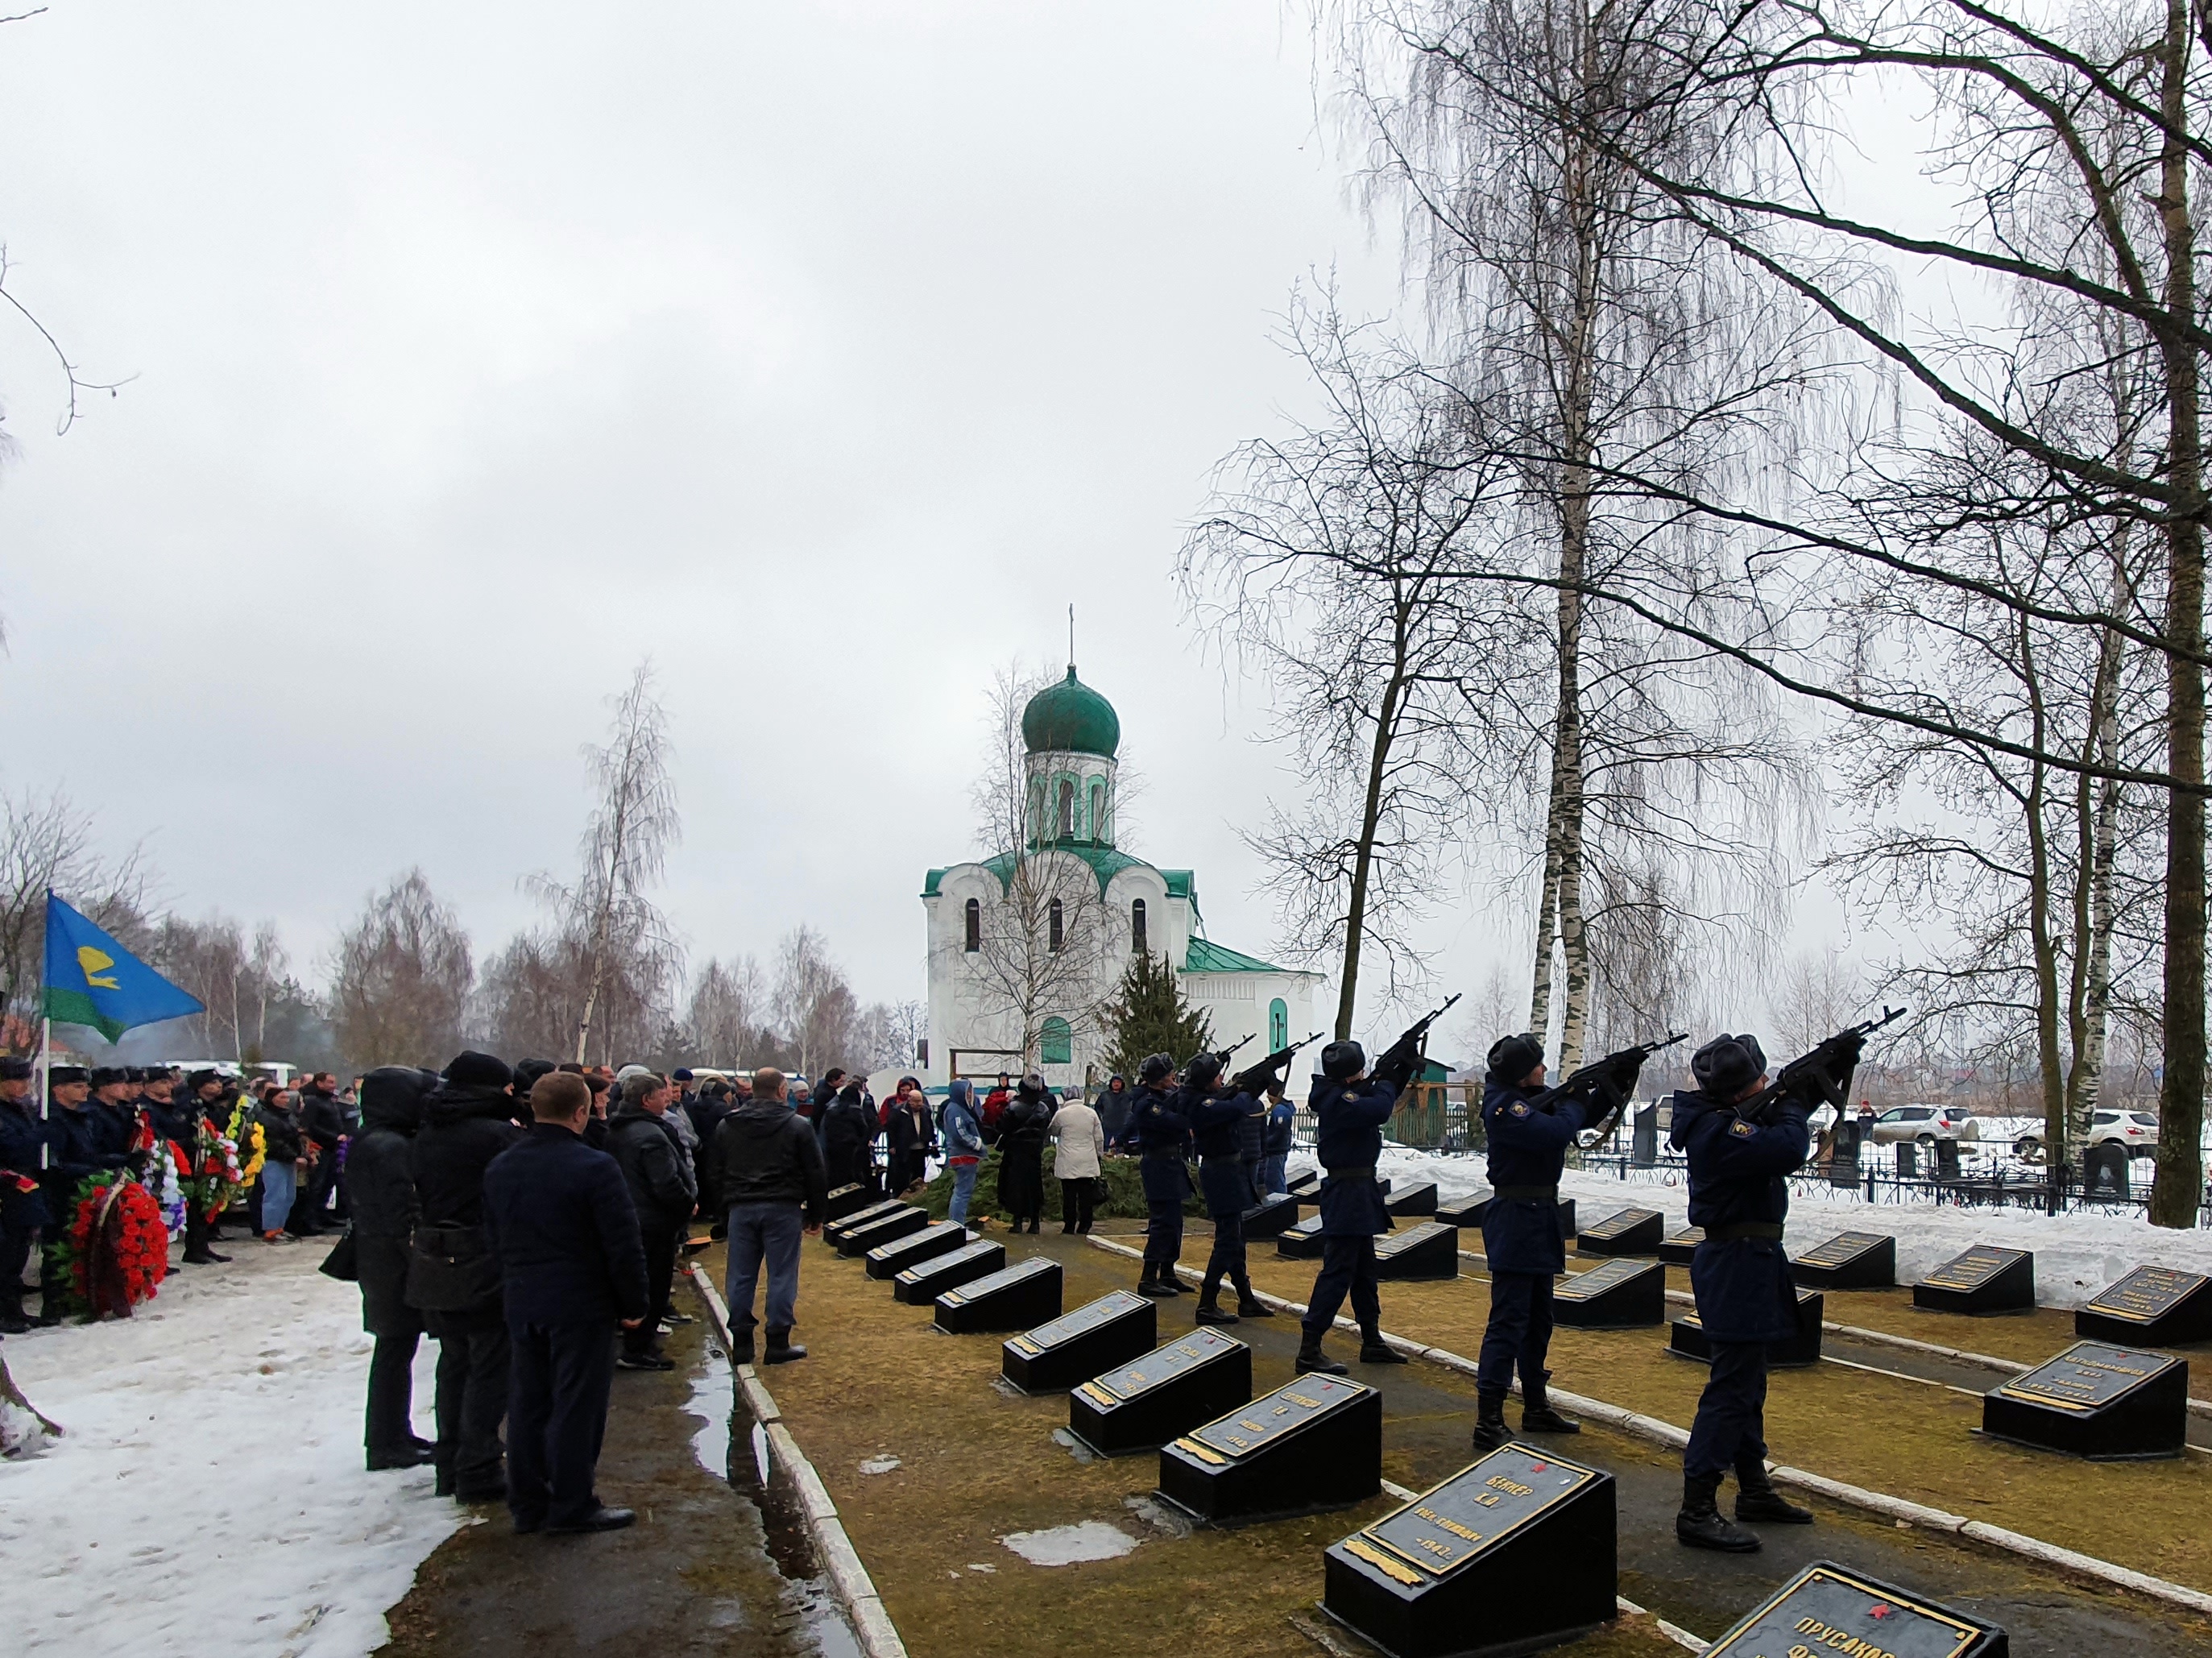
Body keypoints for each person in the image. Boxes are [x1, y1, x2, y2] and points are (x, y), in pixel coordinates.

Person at [483, 1070, 649, 1536]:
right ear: (581, 1112)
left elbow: (493, 1237)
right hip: (580, 1301)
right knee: (577, 1404)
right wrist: (634, 1303)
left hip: (523, 1298)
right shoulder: (594, 1167)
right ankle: (573, 1502)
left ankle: (528, 1502)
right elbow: (621, 1242)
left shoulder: (502, 1166)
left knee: (528, 1401)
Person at [1670, 1033, 1816, 1552]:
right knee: (1731, 1387)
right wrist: (1795, 1106)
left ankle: (1752, 1487)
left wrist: (1811, 1087)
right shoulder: (1715, 1130)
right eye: (1758, 1079)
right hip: (1734, 1263)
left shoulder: (1727, 1119)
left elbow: (1770, 1134)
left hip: (1752, 1258)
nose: (1766, 1085)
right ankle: (1697, 1507)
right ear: (1736, 1094)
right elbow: (1786, 1147)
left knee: (1749, 1384)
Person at [409, 1051, 524, 1503]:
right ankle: (478, 1467)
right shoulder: (496, 1137)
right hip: (482, 1258)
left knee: (455, 1361)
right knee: (491, 1364)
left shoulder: (428, 1133)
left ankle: (451, 1461)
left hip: (436, 1257)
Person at [1470, 1033, 1584, 1451]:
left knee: (1539, 1320)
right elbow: (1553, 1133)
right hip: (1517, 1219)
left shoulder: (1528, 1097)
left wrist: (1607, 1086)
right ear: (1522, 1075)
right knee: (1508, 1323)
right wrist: (1573, 1104)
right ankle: (1489, 1417)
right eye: (1537, 1066)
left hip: (1538, 1218)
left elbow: (1571, 1115)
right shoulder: (1505, 1106)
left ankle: (1535, 1404)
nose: (1543, 1071)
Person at [1295, 1041, 1410, 1375]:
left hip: (1358, 1189)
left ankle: (1372, 1339)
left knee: (1364, 1271)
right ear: (1349, 1076)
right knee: (1338, 1271)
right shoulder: (1337, 1100)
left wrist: (1399, 1068)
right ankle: (1309, 1347)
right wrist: (1388, 1081)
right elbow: (1378, 1109)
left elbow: (1374, 1098)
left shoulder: (1341, 1093)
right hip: (1347, 1191)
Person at [349, 1067, 437, 1470]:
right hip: (391, 1260)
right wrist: (421, 1263)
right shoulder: (388, 1146)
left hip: (380, 1257)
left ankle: (392, 1434)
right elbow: (402, 1210)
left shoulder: (376, 1139)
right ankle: (386, 1441)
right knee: (395, 1349)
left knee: (396, 1350)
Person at [713, 1067, 826, 1365]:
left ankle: (742, 1342)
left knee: (740, 1274)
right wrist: (816, 1213)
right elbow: (815, 1172)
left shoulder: (727, 1125)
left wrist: (722, 1212)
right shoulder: (798, 1126)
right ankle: (777, 1341)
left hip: (741, 1206)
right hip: (782, 1206)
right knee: (782, 1274)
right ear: (780, 1091)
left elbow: (715, 1170)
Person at [606, 1071, 695, 1373]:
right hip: (653, 1222)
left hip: (630, 1216)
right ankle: (638, 1348)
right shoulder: (649, 1135)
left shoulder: (619, 1128)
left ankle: (637, 1341)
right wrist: (687, 1203)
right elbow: (665, 1183)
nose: (667, 1098)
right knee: (653, 1286)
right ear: (647, 1100)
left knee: (638, 1282)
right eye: (661, 1095)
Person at [1185, 1054, 1272, 1325]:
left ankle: (1245, 1297)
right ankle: (1207, 1302)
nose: (1222, 1079)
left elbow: (1230, 1098)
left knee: (1235, 1238)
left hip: (1227, 1170)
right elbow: (1236, 1108)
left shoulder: (1202, 1096)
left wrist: (1257, 1077)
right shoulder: (1200, 1104)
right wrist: (1249, 1088)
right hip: (1221, 1172)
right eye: (1217, 1076)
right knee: (1227, 1240)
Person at [1129, 1053, 1191, 1299]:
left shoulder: (1163, 1097)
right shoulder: (1147, 1103)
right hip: (1158, 1164)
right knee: (1162, 1222)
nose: (1173, 1078)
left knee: (1175, 1222)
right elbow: (1175, 1122)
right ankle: (1148, 1276)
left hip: (1170, 1162)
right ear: (1159, 1078)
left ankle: (1167, 1271)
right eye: (1169, 1075)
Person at [0, 1057, 48, 1333]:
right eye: (15, 1080)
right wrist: (40, 1135)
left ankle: (15, 1309)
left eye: (25, 1080)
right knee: (5, 1255)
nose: (22, 1086)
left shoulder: (24, 1109)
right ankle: (6, 1313)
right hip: (7, 1188)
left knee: (19, 1252)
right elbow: (13, 1146)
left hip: (25, 1188)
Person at [996, 1074, 1054, 1233]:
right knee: (1034, 1186)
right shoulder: (1044, 1108)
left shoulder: (1013, 1107)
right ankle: (1035, 1222)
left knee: (1015, 1186)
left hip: (1015, 1152)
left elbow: (1002, 1126)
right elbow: (1045, 1129)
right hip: (1034, 1152)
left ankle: (1018, 1222)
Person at [253, 1087, 309, 1243]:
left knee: (288, 1196)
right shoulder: (265, 1117)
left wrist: (302, 1154)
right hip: (274, 1159)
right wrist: (293, 1155)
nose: (286, 1100)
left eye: (286, 1097)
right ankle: (270, 1230)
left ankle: (280, 1227)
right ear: (272, 1099)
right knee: (275, 1195)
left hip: (289, 1159)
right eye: (282, 1097)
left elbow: (295, 1137)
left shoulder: (288, 1115)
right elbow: (274, 1142)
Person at [1046, 1085, 1104, 1234]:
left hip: (1068, 1159)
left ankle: (1069, 1225)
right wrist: (1099, 1155)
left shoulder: (1061, 1114)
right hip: (1087, 1159)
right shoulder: (1091, 1113)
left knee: (1069, 1196)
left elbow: (1052, 1130)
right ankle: (1085, 1224)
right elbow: (1099, 1138)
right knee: (1086, 1196)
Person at [295, 1073, 346, 1236]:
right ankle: (309, 1219)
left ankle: (322, 1213)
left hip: (332, 1148)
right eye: (330, 1082)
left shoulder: (328, 1101)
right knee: (316, 1185)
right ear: (319, 1083)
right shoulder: (313, 1101)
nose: (333, 1085)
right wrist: (333, 1136)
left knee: (328, 1183)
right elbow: (310, 1126)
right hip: (320, 1147)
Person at [819, 1076, 880, 1199]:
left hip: (834, 1147)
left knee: (836, 1174)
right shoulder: (855, 1110)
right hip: (851, 1147)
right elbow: (863, 1129)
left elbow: (826, 1129)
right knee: (852, 1174)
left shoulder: (831, 1110)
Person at [939, 1079, 985, 1223]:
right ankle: (957, 1224)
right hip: (964, 1156)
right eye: (968, 1092)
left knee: (962, 1192)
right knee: (962, 1193)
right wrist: (976, 1143)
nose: (971, 1095)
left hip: (964, 1156)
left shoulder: (958, 1109)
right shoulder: (955, 1110)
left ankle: (958, 1223)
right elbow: (959, 1132)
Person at [884, 1077, 936, 1196]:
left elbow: (929, 1126)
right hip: (904, 1147)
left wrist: (932, 1140)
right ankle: (900, 1195)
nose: (919, 1104)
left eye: (920, 1101)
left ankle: (917, 1195)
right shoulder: (898, 1111)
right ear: (909, 1100)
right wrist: (892, 1145)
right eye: (916, 1101)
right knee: (903, 1175)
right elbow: (891, 1129)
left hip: (921, 1147)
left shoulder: (925, 1111)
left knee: (919, 1174)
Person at [1259, 1080, 1295, 1196]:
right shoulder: (1284, 1108)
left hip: (1276, 1150)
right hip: (1279, 1149)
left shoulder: (1279, 1110)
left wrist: (1266, 1143)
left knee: (1275, 1180)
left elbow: (1280, 1131)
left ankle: (1280, 1201)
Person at [1096, 1075, 1133, 1150]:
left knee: (1120, 1149)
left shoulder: (1127, 1096)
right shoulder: (1104, 1096)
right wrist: (1102, 1118)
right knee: (1106, 1149)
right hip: (1107, 1127)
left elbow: (1131, 1110)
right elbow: (1098, 1109)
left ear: (1122, 1084)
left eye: (1118, 1082)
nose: (1116, 1084)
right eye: (1114, 1082)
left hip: (1122, 1127)